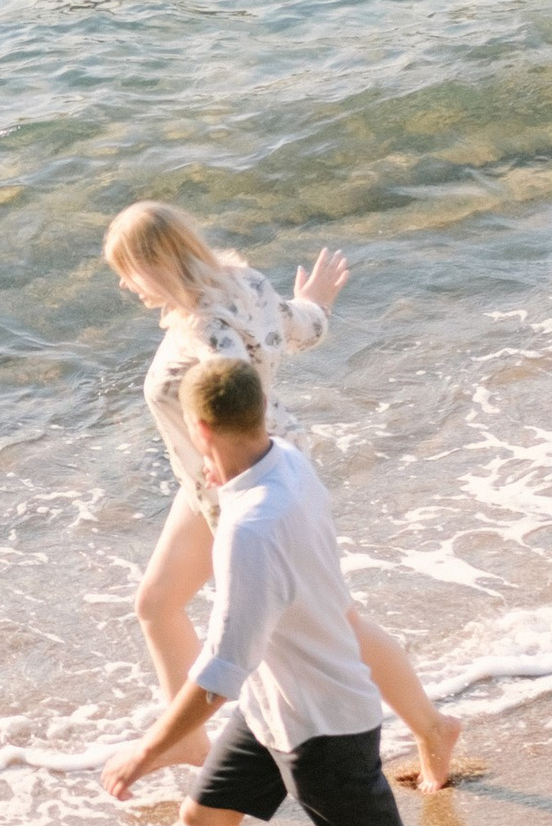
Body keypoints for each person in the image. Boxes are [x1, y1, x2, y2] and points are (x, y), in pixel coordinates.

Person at [101, 353, 510, 826]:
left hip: (322, 723)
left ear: (199, 432)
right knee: (207, 816)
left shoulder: (250, 530)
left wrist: (146, 752)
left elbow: (220, 673)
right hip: (273, 708)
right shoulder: (286, 461)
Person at [102, 198, 462, 792]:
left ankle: (432, 727)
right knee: (157, 603)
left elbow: (238, 394)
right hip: (215, 481)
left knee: (339, 619)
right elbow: (302, 329)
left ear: (155, 263)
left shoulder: (205, 327)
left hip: (246, 480)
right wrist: (315, 301)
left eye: (127, 270)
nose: (123, 284)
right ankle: (188, 742)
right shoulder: (245, 282)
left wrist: (240, 474)